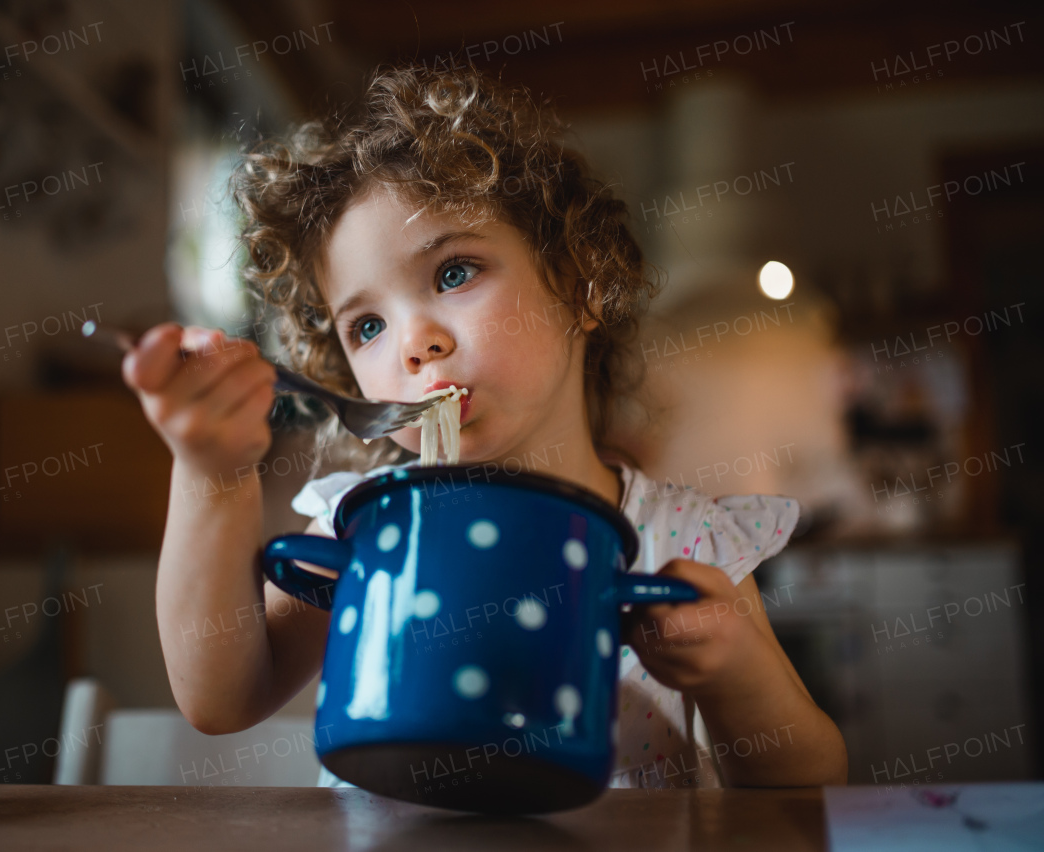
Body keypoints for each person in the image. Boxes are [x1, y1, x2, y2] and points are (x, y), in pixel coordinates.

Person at [122, 63, 847, 789]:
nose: (413, 341)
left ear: (580, 283)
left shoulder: (684, 547)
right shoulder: (367, 528)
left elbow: (807, 790)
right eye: (367, 324)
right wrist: (213, 474)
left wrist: (737, 677)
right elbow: (221, 699)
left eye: (453, 273)